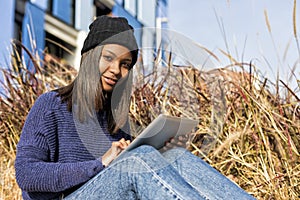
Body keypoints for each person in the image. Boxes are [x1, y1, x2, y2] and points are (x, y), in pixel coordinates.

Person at [15, 15, 255, 200]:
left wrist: (163, 156)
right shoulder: (51, 105)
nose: (116, 70)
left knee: (173, 157)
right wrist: (101, 163)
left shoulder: (117, 123)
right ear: (89, 56)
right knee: (135, 160)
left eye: (125, 64)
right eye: (108, 58)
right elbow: (26, 174)